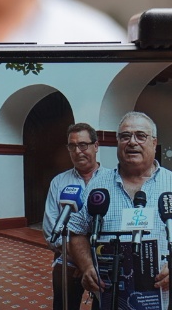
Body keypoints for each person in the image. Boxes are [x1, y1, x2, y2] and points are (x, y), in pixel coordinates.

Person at [68, 112, 172, 310]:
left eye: (140, 136)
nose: (132, 142)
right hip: (109, 299)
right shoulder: (96, 186)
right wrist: (87, 267)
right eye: (125, 136)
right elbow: (76, 232)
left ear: (154, 142)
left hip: (162, 300)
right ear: (117, 142)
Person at [43, 123, 112, 310]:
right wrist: (81, 262)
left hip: (105, 262)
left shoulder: (113, 180)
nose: (78, 151)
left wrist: (91, 263)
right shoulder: (59, 182)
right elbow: (51, 231)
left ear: (96, 146)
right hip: (67, 262)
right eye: (72, 146)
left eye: (83, 145)